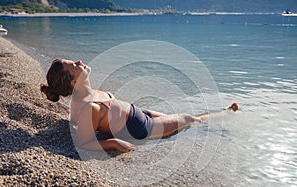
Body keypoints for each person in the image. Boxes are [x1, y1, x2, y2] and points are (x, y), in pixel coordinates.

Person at [41, 59, 238, 153]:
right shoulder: (89, 107)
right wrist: (112, 143)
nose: (79, 61)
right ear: (73, 81)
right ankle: (225, 115)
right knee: (189, 119)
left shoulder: (83, 96)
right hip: (141, 128)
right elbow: (84, 141)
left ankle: (215, 120)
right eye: (74, 66)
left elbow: (76, 120)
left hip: (138, 114)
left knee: (180, 118)